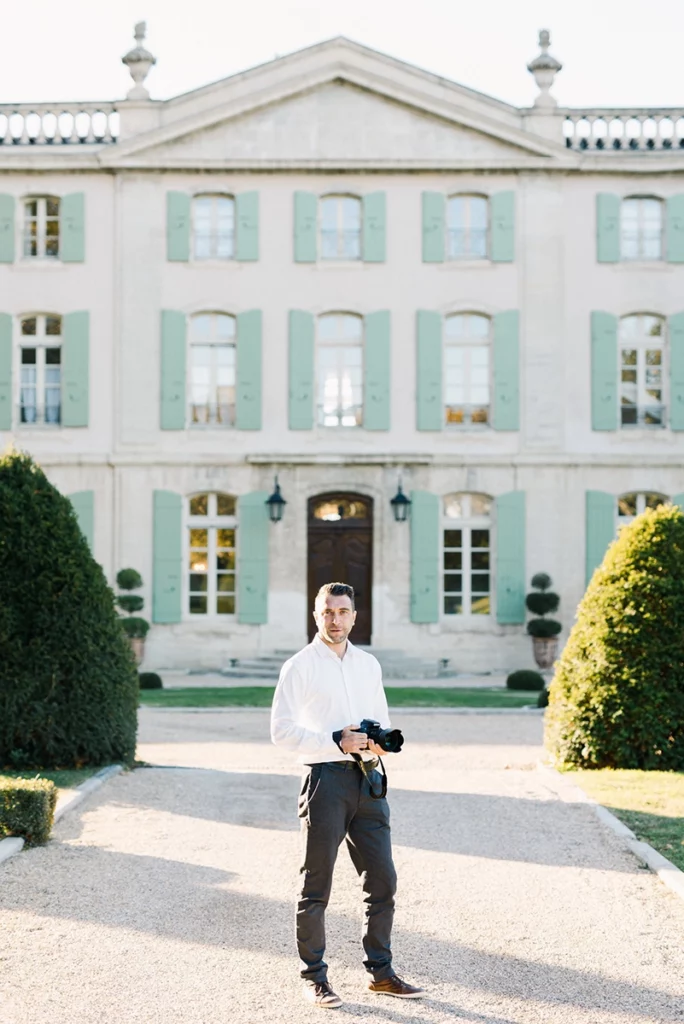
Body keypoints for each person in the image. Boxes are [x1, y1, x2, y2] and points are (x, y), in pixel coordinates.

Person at [270, 581, 424, 1009]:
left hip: (369, 782)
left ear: (354, 617)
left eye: (342, 612)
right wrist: (335, 740)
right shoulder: (299, 666)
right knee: (316, 884)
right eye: (327, 612)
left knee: (383, 880)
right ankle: (314, 978)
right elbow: (281, 731)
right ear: (316, 615)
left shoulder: (368, 665)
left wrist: (378, 742)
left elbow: (381, 718)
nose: (335, 620)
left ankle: (381, 973)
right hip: (325, 781)